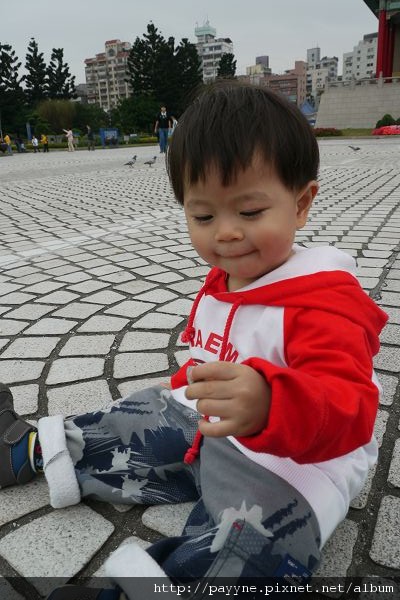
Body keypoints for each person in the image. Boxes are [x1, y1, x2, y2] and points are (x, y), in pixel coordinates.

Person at [0, 82, 388, 600]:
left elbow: (352, 411)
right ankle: (29, 449)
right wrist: (177, 393)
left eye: (249, 213)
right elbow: (204, 363)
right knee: (135, 418)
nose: (225, 233)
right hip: (208, 430)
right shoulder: (222, 281)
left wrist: (271, 401)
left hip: (290, 466)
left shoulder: (323, 304)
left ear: (301, 204)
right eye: (203, 216)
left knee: (254, 546)